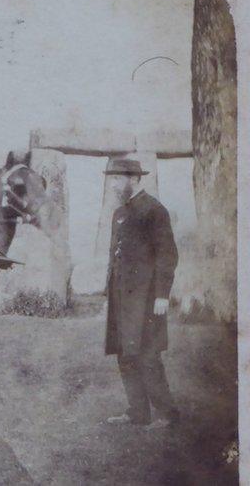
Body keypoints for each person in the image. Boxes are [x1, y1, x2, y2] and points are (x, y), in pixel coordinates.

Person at [103, 158, 180, 429]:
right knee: (125, 354)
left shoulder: (154, 210)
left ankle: (167, 414)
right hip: (122, 299)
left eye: (117, 178)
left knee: (147, 355)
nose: (112, 184)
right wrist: (108, 295)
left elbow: (167, 255)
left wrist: (162, 295)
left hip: (147, 298)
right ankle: (137, 412)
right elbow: (116, 258)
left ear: (133, 178)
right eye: (111, 178)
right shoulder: (120, 213)